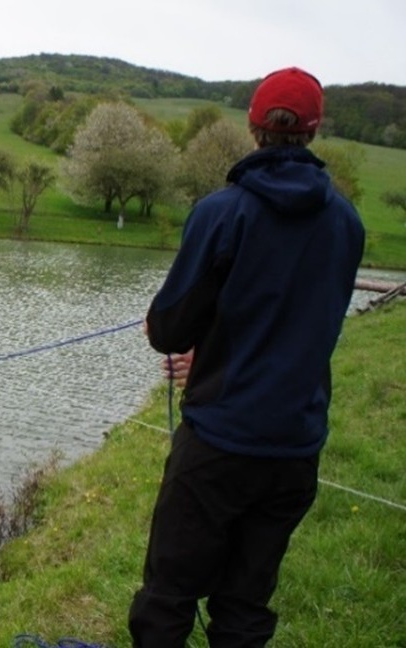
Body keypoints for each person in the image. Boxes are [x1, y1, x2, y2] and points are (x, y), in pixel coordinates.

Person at [129, 67, 365, 647]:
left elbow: (169, 328)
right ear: (314, 130)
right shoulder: (348, 224)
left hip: (217, 445)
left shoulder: (221, 211)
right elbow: (297, 324)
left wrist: (179, 336)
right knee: (245, 604)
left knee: (168, 595)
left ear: (253, 124)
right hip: (295, 449)